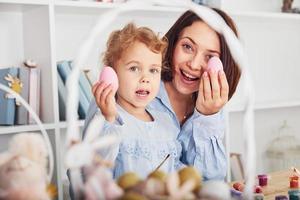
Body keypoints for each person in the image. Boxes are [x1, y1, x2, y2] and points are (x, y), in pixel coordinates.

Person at [84, 8, 241, 181]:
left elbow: (209, 180)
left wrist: (206, 117)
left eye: (209, 56)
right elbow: (86, 179)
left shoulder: (211, 106)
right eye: (187, 47)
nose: (194, 64)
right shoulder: (112, 100)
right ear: (173, 44)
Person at [93, 23, 183, 179]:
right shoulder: (109, 119)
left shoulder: (167, 121)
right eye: (134, 68)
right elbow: (96, 172)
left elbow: (175, 168)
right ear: (112, 74)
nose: (145, 79)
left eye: (153, 70)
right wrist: (108, 118)